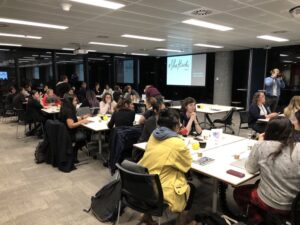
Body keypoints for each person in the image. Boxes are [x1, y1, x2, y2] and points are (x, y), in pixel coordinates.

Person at [234, 117, 300, 225]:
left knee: (239, 192)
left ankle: (257, 220)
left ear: (268, 131)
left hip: (270, 202)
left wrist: (259, 143)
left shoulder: (262, 146)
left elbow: (250, 168)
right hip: (294, 204)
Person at [138, 109, 194, 225]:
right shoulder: (177, 143)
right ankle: (181, 222)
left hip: (144, 183)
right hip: (159, 189)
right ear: (175, 126)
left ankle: (146, 216)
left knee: (161, 171)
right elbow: (187, 165)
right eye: (179, 124)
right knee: (191, 188)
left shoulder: (154, 135)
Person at [60, 95, 90, 163]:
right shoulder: (69, 111)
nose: (76, 102)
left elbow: (73, 120)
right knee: (87, 136)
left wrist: (82, 118)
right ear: (70, 102)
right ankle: (74, 151)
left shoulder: (65, 108)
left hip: (66, 132)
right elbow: (71, 125)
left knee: (84, 133)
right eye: (75, 100)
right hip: (70, 134)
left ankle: (74, 152)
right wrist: (82, 122)